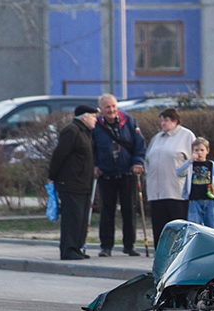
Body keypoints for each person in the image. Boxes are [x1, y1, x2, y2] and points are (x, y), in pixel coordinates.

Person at [92, 93, 147, 257]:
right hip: (106, 174)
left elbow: (139, 144)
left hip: (127, 172)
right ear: (101, 109)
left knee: (129, 210)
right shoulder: (96, 125)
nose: (111, 110)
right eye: (107, 107)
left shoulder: (128, 120)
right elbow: (91, 148)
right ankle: (106, 246)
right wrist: (94, 166)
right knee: (107, 211)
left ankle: (129, 245)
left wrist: (138, 162)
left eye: (113, 106)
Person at [48, 105, 98, 260]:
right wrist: (52, 176)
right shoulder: (72, 130)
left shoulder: (86, 132)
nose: (96, 119)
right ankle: (68, 249)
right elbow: (59, 155)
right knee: (72, 217)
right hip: (70, 182)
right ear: (84, 117)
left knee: (81, 217)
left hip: (83, 183)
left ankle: (76, 247)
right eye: (93, 116)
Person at [145, 108, 195, 247]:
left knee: (177, 226)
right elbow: (147, 160)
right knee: (159, 225)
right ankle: (160, 253)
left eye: (166, 120)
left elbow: (195, 160)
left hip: (176, 191)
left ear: (175, 121)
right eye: (161, 120)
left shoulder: (186, 136)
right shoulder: (157, 138)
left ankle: (178, 252)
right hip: (156, 191)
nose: (163, 124)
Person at [177, 138, 214, 229]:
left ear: (207, 151)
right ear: (192, 151)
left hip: (209, 200)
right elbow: (179, 173)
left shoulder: (212, 165)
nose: (199, 153)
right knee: (193, 227)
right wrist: (189, 161)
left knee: (212, 227)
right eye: (196, 150)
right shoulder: (190, 165)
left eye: (202, 150)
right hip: (194, 200)